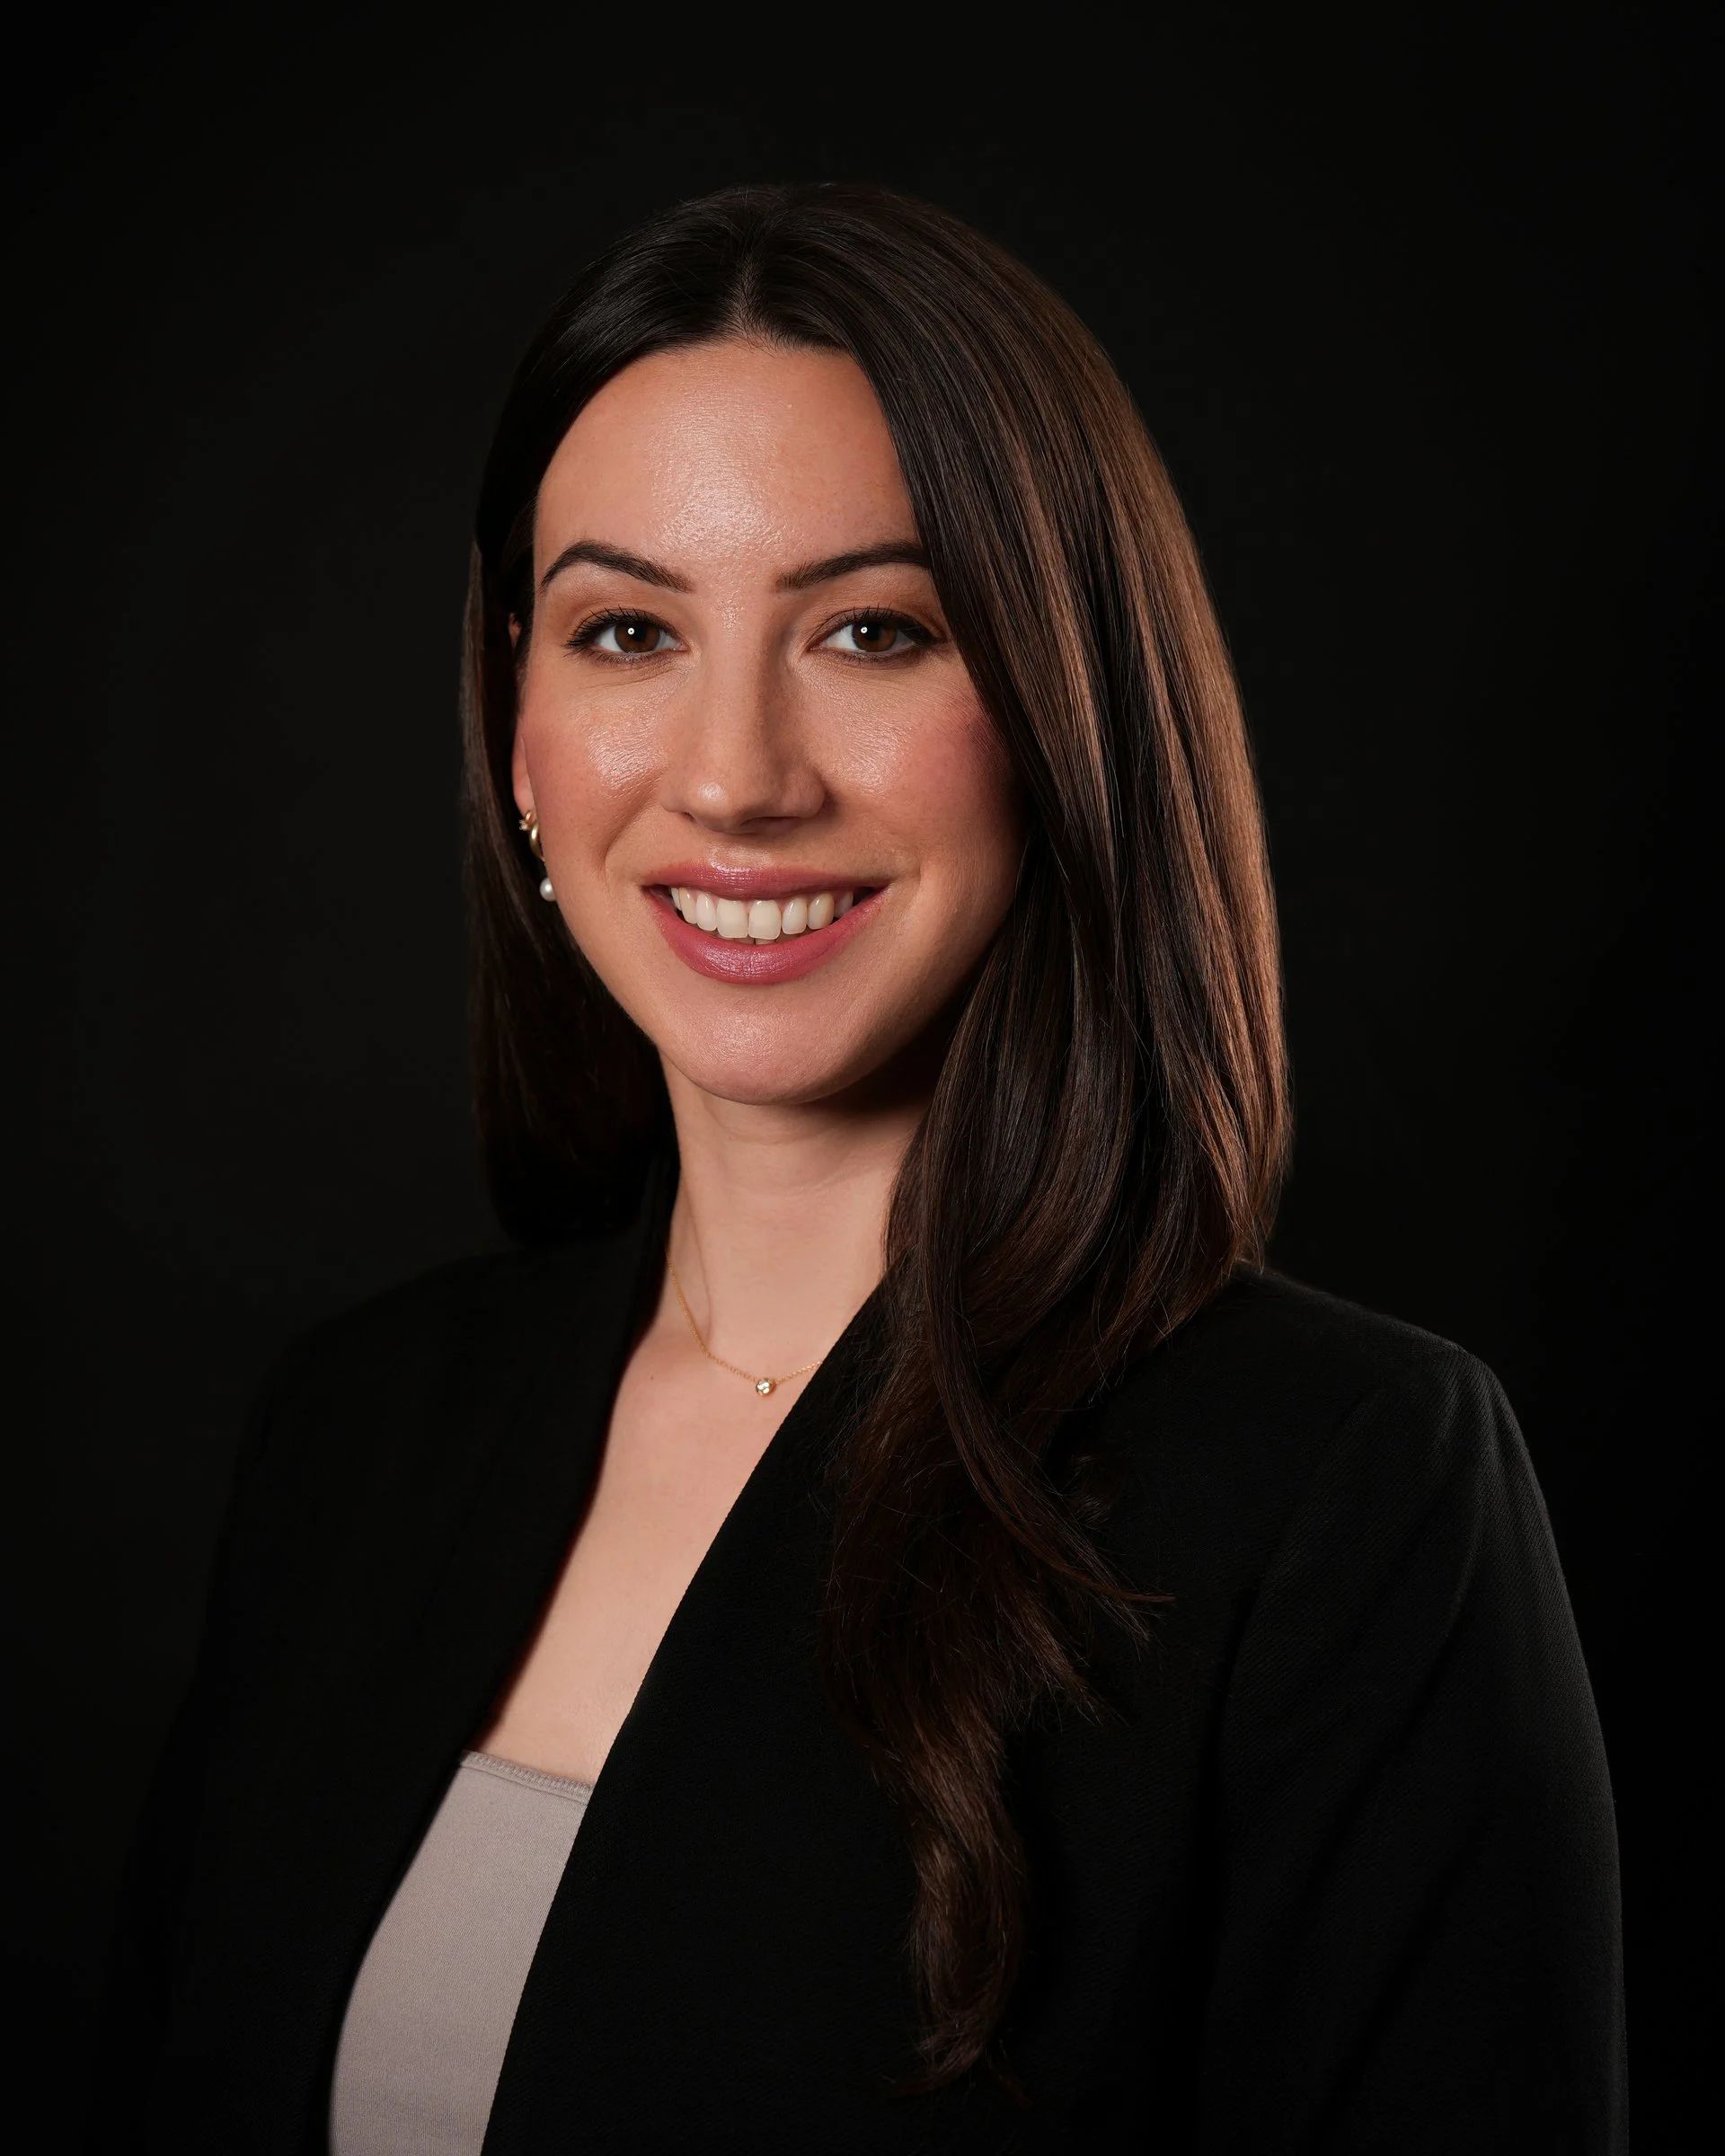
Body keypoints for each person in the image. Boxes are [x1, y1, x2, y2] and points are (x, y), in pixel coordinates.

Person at [83, 180, 1628, 2155]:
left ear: (1067, 715)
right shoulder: (354, 1434)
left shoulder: (1344, 1494)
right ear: (519, 727)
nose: (736, 774)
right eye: (627, 628)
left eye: (875, 631)